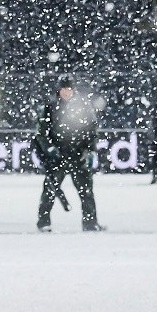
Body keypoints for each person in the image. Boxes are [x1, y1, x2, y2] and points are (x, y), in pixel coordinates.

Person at [34, 78, 105, 232]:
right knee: (50, 190)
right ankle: (44, 222)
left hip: (78, 155)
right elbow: (41, 134)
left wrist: (90, 150)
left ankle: (90, 222)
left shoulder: (84, 108)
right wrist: (51, 150)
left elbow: (91, 131)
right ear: (58, 91)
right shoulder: (50, 108)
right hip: (57, 157)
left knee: (86, 191)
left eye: (69, 89)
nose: (66, 92)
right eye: (63, 89)